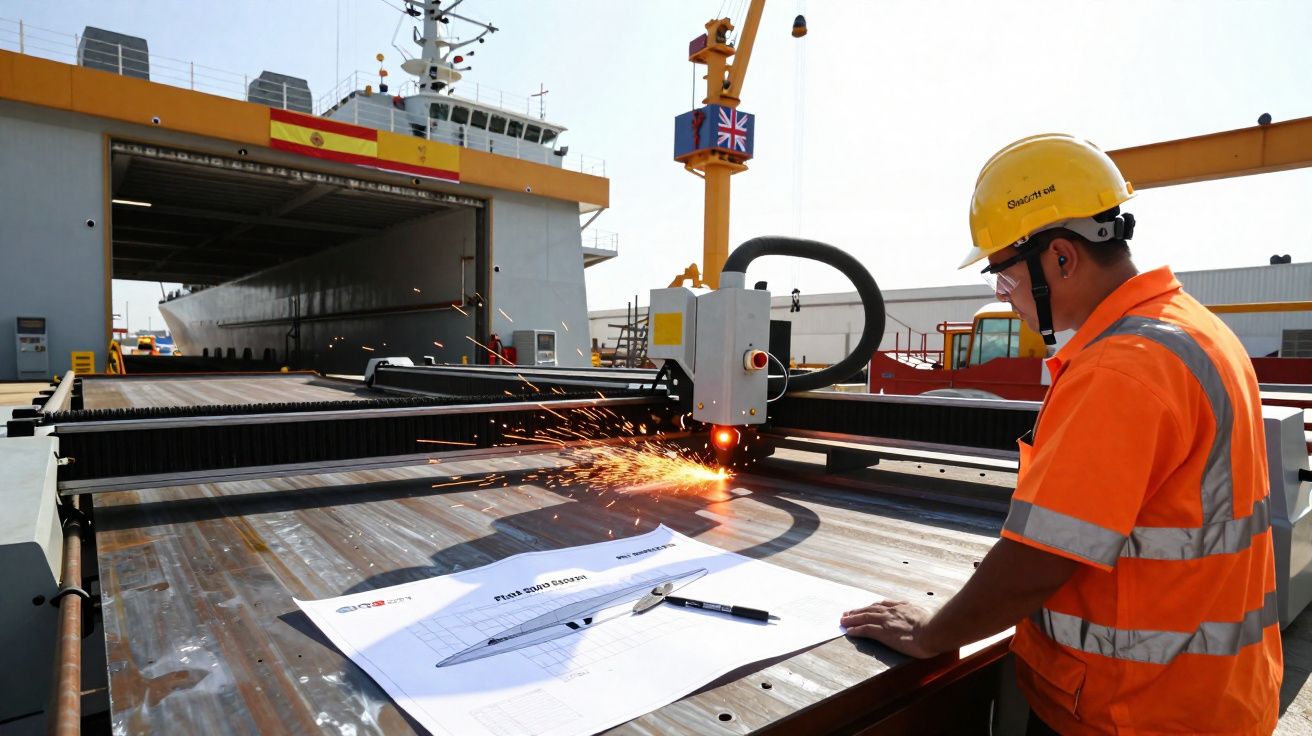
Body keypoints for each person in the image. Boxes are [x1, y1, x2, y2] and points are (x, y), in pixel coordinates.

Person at [840, 134, 1282, 735]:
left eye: (1003, 277)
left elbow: (1041, 558)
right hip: (1213, 697)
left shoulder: (1121, 366)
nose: (1006, 297)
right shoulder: (1196, 329)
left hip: (1132, 712)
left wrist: (934, 630)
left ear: (1061, 258)